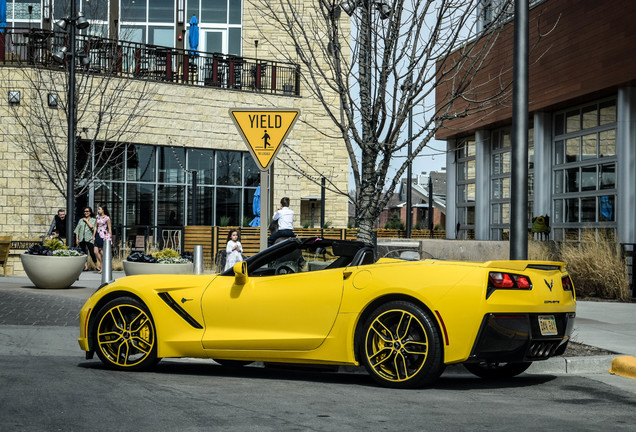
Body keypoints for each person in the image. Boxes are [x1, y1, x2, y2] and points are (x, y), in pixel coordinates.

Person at [74, 207, 98, 271]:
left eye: (87, 211)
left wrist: (87, 221)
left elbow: (92, 227)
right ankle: (86, 266)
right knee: (83, 253)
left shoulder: (93, 220)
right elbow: (77, 230)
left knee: (92, 252)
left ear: (90, 212)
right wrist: (77, 239)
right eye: (84, 211)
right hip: (82, 238)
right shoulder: (81, 220)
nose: (85, 212)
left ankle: (96, 266)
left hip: (89, 238)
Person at [93, 204, 112, 274]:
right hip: (98, 234)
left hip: (104, 235)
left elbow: (109, 228)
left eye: (99, 209)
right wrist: (93, 235)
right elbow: (95, 226)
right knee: (95, 251)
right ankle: (102, 264)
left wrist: (110, 238)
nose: (98, 210)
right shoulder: (97, 217)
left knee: (102, 252)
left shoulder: (107, 218)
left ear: (103, 210)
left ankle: (103, 267)